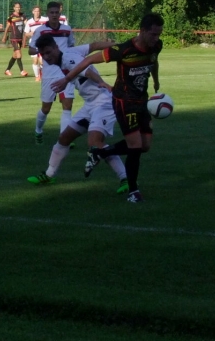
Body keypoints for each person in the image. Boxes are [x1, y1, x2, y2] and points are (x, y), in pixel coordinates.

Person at [53, 13, 163, 204]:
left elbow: (153, 61)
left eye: (159, 34)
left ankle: (100, 152)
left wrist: (156, 80)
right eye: (153, 34)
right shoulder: (124, 50)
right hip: (124, 102)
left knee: (145, 145)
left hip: (141, 101)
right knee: (135, 147)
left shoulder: (156, 46)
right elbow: (88, 61)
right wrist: (66, 79)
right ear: (142, 31)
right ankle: (133, 191)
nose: (156, 38)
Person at [28, 35, 128, 192]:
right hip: (90, 105)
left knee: (95, 143)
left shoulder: (68, 59)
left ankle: (126, 179)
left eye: (48, 52)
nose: (46, 57)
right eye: (43, 54)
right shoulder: (69, 53)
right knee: (64, 138)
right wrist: (121, 46)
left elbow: (87, 71)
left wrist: (101, 81)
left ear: (56, 48)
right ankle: (49, 175)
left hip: (103, 103)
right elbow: (93, 45)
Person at [28, 2, 76, 140]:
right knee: (46, 108)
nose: (54, 15)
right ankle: (38, 130)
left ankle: (65, 138)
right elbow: (30, 50)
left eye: (56, 12)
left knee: (67, 106)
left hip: (66, 73)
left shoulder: (67, 30)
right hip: (49, 74)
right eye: (52, 12)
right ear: (47, 14)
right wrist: (44, 51)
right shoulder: (41, 31)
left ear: (60, 13)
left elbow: (71, 47)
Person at [3, 2, 28, 77]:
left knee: (15, 55)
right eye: (17, 7)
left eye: (19, 7)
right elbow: (7, 27)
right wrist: (4, 36)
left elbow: (27, 24)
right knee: (19, 53)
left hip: (20, 38)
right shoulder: (11, 17)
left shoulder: (22, 16)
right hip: (14, 38)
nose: (18, 8)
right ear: (14, 8)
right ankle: (22, 71)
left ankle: (7, 70)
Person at [23, 6, 46, 81]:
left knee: (42, 62)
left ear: (40, 12)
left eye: (38, 11)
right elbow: (26, 34)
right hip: (33, 43)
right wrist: (31, 33)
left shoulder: (45, 20)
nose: (37, 13)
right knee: (35, 61)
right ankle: (37, 76)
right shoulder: (29, 22)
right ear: (33, 12)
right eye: (35, 11)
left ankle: (42, 74)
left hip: (43, 43)